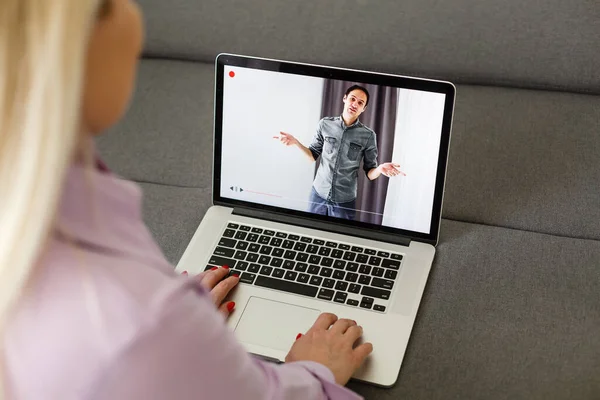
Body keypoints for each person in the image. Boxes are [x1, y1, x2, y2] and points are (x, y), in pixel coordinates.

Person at [0, 0, 373, 398]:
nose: (135, 14)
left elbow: (368, 169)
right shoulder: (145, 325)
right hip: (317, 195)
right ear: (74, 40)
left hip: (345, 198)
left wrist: (184, 330)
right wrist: (314, 374)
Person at [276, 85, 406, 220]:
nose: (355, 104)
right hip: (318, 195)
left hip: (344, 202)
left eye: (360, 103)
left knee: (339, 237)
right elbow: (312, 156)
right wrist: (296, 142)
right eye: (352, 99)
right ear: (345, 99)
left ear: (364, 108)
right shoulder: (325, 124)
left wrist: (379, 169)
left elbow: (370, 173)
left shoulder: (368, 136)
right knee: (310, 231)